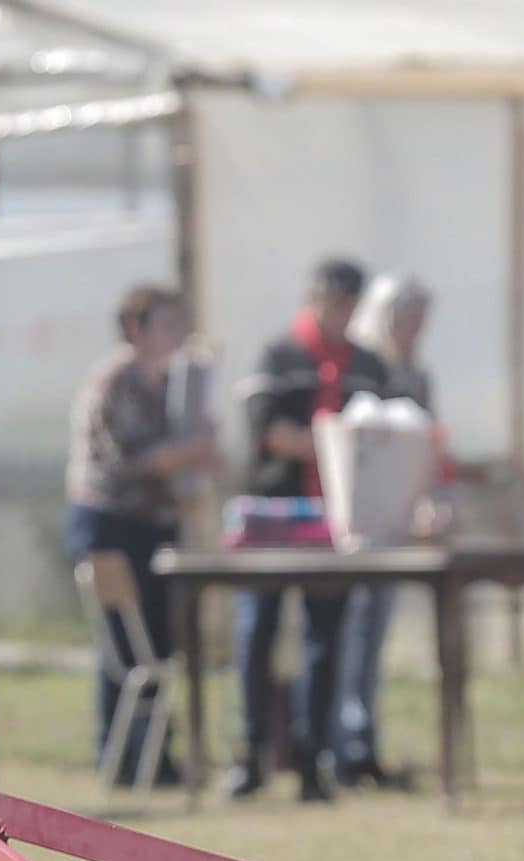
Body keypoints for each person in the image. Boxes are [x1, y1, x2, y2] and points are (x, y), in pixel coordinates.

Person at [228, 257, 392, 803]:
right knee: (258, 631)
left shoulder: (366, 365)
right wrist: (326, 444)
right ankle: (251, 752)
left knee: (324, 639)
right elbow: (263, 428)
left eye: (350, 304)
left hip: (335, 523)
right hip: (276, 517)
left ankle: (312, 755)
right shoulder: (279, 355)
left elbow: (384, 431)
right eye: (333, 301)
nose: (340, 313)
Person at [65, 283, 219, 782]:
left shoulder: (163, 384)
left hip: (154, 527)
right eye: (166, 323)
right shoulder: (115, 381)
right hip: (112, 526)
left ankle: (156, 756)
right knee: (124, 648)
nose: (176, 334)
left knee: (158, 644)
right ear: (136, 328)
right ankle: (121, 757)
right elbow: (129, 457)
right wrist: (191, 449)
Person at [332, 272, 433, 789]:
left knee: (373, 639)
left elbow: (426, 450)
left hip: (395, 527)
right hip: (355, 529)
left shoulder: (417, 377)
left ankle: (362, 738)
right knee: (348, 635)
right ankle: (342, 743)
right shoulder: (362, 370)